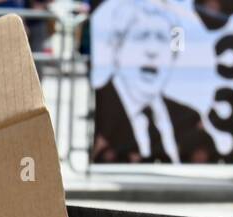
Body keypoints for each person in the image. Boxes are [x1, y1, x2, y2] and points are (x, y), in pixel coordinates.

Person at [92, 0, 215, 163]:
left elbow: (180, 41)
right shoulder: (104, 109)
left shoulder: (186, 116)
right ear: (118, 47)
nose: (152, 51)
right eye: (141, 36)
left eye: (161, 38)